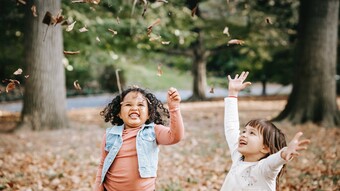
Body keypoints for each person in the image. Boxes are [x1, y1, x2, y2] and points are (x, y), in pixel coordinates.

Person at [221, 71, 310, 191]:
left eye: (251, 133)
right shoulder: (238, 156)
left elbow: (276, 160)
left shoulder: (264, 169)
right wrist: (232, 93)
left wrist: (285, 152)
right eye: (244, 131)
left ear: (265, 148)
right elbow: (231, 126)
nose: (243, 135)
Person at [93, 86, 185, 191]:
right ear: (119, 113)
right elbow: (102, 165)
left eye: (140, 105)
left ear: (148, 114)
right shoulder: (110, 135)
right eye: (128, 104)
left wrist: (174, 108)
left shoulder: (153, 131)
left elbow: (175, 137)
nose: (134, 108)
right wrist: (98, 187)